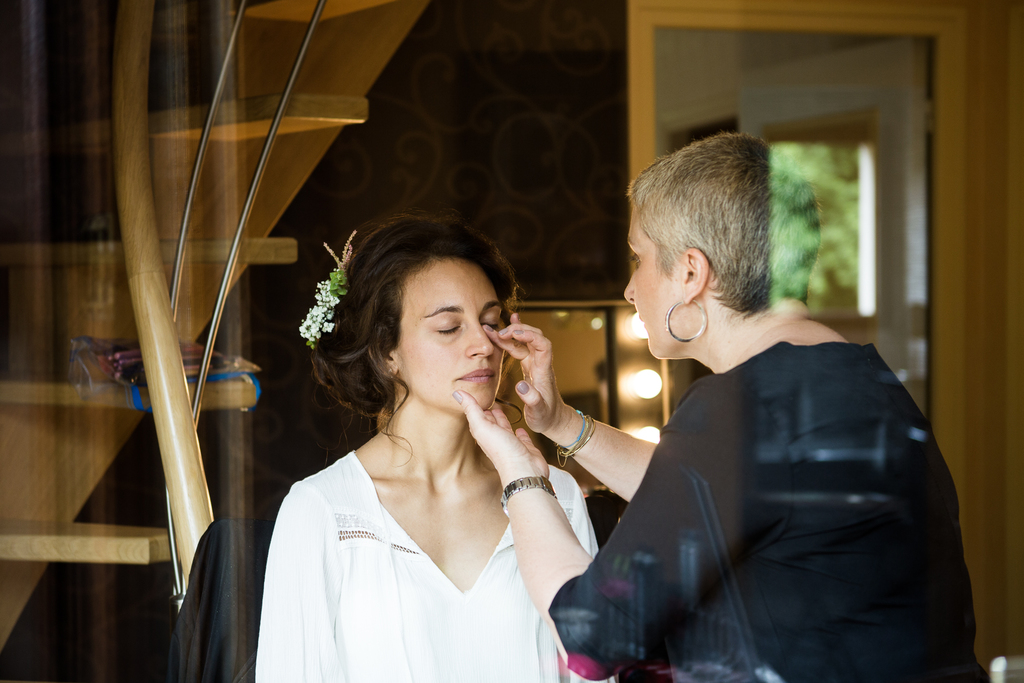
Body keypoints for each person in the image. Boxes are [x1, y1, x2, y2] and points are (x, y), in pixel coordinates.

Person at [454, 133, 986, 682]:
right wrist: (562, 424)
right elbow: (709, 494)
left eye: (639, 259)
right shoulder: (862, 379)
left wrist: (520, 474)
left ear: (691, 273)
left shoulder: (738, 404)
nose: (630, 288)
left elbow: (591, 638)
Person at [255, 212, 606, 682]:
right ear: (386, 352)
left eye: (491, 322)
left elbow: (598, 668)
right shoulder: (322, 510)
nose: (483, 345)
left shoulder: (555, 495)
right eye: (448, 328)